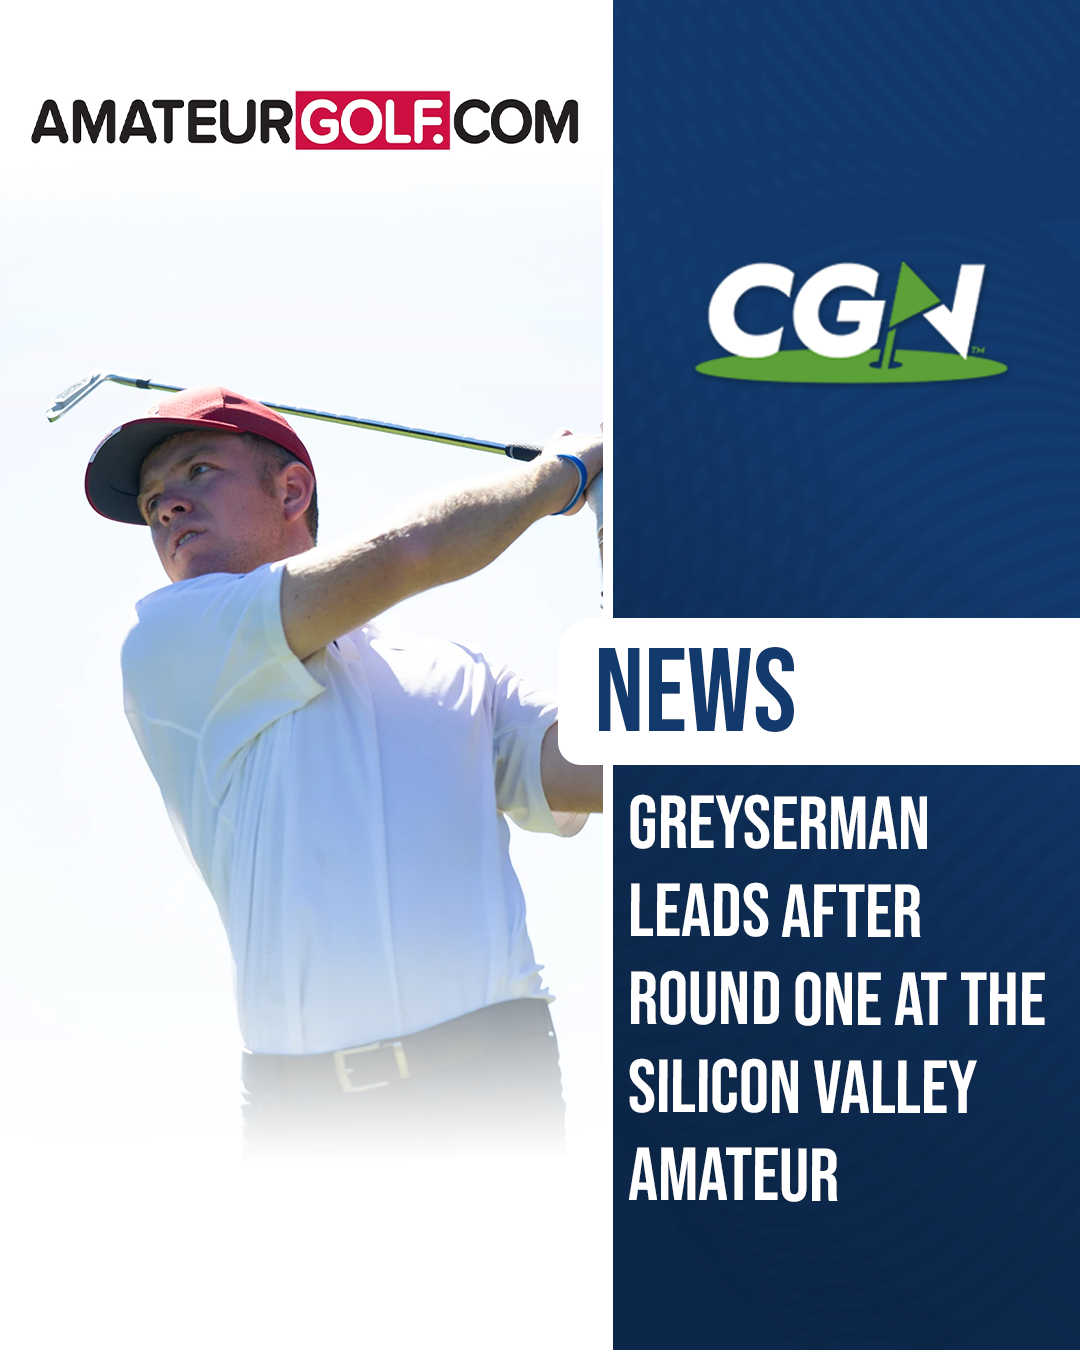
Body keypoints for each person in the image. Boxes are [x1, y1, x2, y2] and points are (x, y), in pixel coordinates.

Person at [85, 384, 603, 1154]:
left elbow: (601, 773)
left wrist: (628, 542)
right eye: (155, 498)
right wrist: (566, 474)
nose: (166, 507)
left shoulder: (454, 671)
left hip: (496, 1085)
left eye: (196, 472)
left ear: (291, 489)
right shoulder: (171, 645)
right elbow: (410, 554)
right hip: (308, 1116)